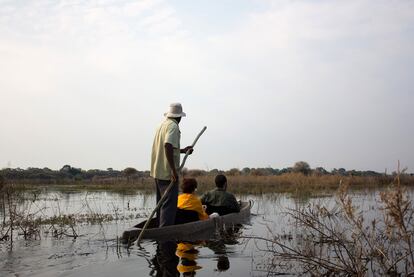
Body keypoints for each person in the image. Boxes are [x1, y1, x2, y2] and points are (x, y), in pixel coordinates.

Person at [150, 103, 193, 227]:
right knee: (169, 206)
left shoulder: (161, 125)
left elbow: (169, 147)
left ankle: (159, 230)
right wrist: (173, 171)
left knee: (161, 204)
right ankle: (165, 232)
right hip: (167, 173)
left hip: (157, 172)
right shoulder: (173, 126)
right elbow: (167, 145)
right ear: (179, 117)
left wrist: (183, 150)